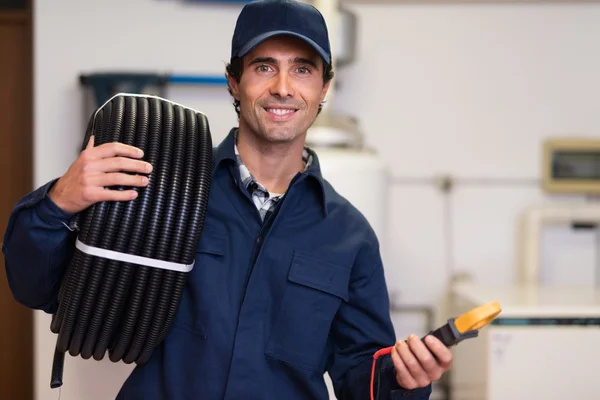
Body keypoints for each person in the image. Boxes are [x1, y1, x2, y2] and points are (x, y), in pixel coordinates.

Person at [2, 0, 453, 399]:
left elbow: (361, 373)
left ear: (323, 89)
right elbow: (37, 286)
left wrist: (403, 379)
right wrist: (57, 203)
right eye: (263, 67)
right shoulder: (161, 186)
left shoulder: (348, 235)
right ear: (234, 82)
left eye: (302, 69)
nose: (282, 87)